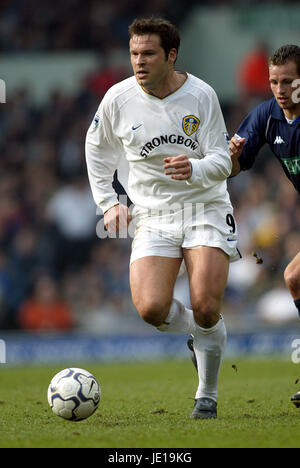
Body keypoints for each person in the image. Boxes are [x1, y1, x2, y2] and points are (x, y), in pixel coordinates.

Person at [86, 17, 240, 419]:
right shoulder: (117, 99)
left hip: (204, 205)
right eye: (135, 53)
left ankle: (206, 394)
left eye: (149, 53)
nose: (139, 61)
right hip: (153, 215)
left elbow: (223, 159)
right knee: (151, 309)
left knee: (206, 304)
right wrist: (108, 203)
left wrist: (195, 169)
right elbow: (96, 150)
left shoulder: (201, 95)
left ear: (171, 56)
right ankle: (201, 336)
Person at [229, 44, 300, 407]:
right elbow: (239, 164)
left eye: (287, 81)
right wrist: (231, 159)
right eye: (273, 81)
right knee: (294, 278)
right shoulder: (267, 115)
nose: (279, 88)